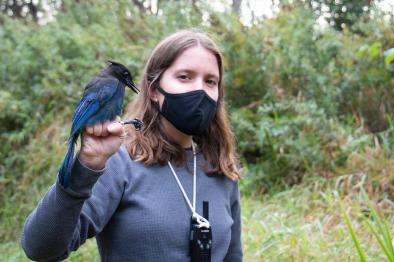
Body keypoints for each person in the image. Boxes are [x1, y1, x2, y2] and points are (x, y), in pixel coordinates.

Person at [21, 29, 243, 262]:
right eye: (184, 77)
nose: (198, 90)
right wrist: (85, 167)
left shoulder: (222, 168)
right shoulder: (119, 160)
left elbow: (233, 256)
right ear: (154, 90)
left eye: (210, 81)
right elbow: (40, 248)